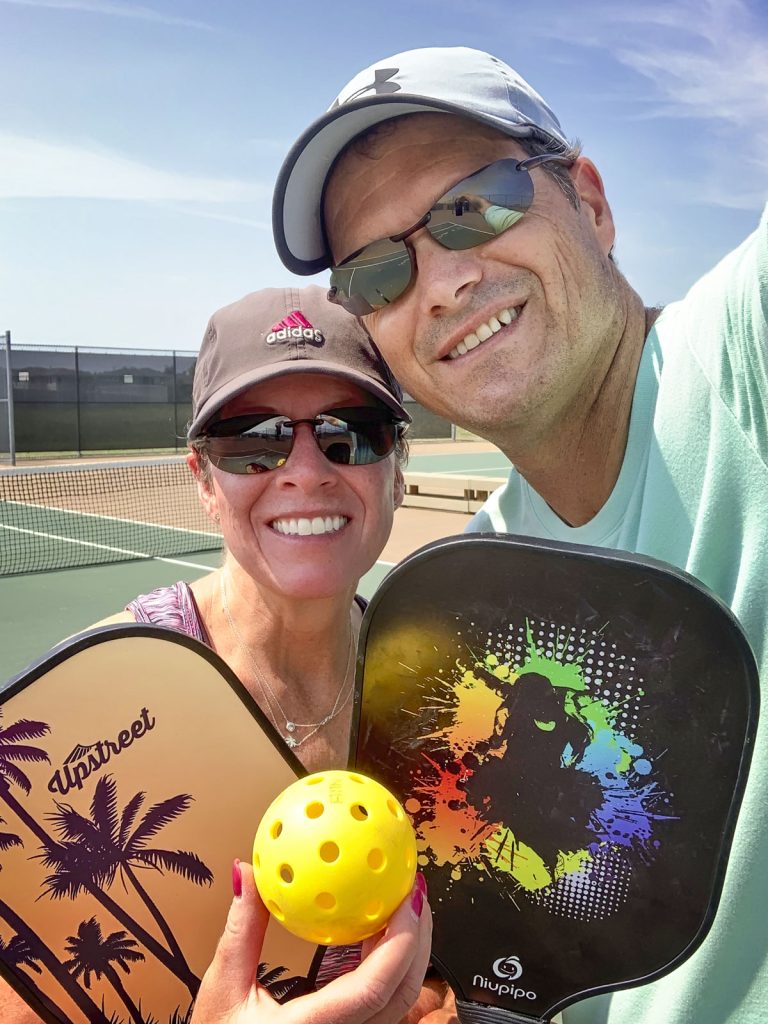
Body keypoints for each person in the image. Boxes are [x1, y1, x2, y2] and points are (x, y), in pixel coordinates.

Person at [271, 46, 768, 1024]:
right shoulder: (456, 600)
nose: (445, 281)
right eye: (376, 271)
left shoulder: (743, 358)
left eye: (476, 204)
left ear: (591, 200)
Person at [0, 285, 443, 1023]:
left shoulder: (434, 689)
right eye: (254, 440)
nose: (305, 469)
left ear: (396, 468)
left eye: (352, 432)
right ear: (203, 481)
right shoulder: (100, 697)